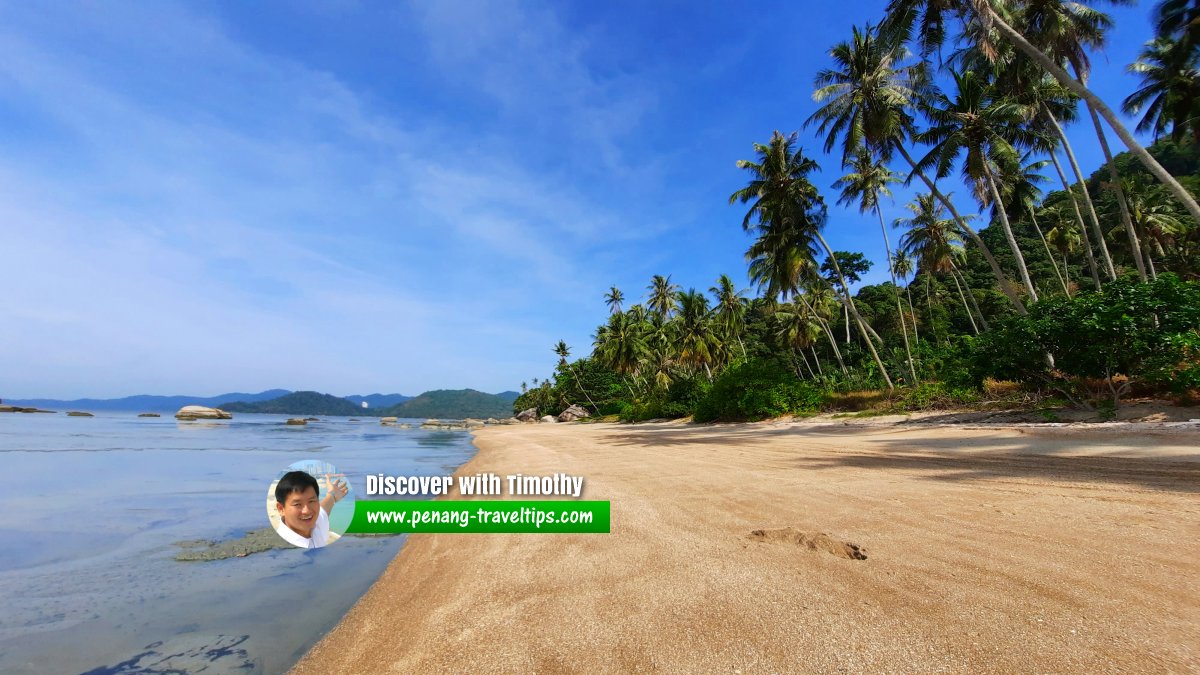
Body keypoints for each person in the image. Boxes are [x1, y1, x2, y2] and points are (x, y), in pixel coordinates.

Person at [273, 470, 348, 549]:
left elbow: (324, 508)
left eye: (311, 501)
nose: (307, 511)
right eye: (297, 504)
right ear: (281, 509)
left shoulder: (316, 523)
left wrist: (332, 494)